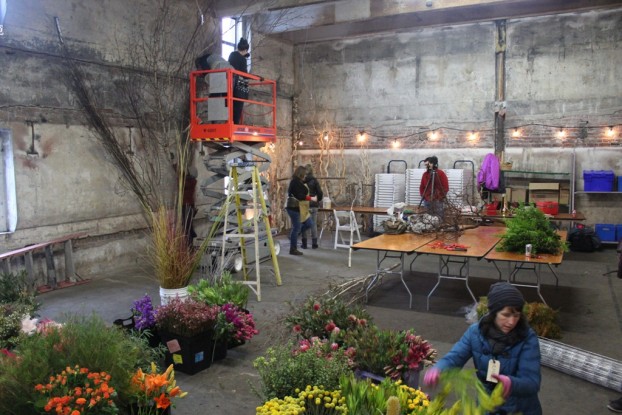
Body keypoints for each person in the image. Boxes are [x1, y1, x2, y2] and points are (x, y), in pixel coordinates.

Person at [424, 282, 542, 415]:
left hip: (519, 408)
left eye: (517, 315)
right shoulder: (475, 332)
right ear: (493, 312)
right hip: (487, 406)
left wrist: (511, 383)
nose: (512, 322)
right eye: (506, 315)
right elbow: (455, 357)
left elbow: (532, 382)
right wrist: (439, 368)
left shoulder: (527, 337)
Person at [286, 166, 317, 255]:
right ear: (301, 174)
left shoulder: (299, 182)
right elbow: (300, 196)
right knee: (296, 228)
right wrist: (311, 198)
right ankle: (293, 249)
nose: (306, 176)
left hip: (298, 208)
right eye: (305, 174)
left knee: (309, 224)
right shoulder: (295, 182)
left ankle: (293, 236)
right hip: (294, 208)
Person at [228, 37, 250, 124]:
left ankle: (230, 122)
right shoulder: (243, 59)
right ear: (245, 50)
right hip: (240, 83)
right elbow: (245, 74)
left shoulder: (232, 55)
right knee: (238, 106)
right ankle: (235, 123)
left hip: (229, 82)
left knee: (230, 105)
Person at [301, 164, 323, 249]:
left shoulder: (302, 181)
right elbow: (320, 193)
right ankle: (314, 244)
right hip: (314, 205)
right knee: (313, 224)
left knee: (304, 223)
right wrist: (318, 200)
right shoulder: (315, 180)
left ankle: (304, 244)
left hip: (304, 204)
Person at [181, 165, 198, 248]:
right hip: (189, 206)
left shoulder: (189, 182)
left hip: (186, 206)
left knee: (187, 227)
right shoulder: (192, 181)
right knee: (188, 226)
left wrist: (175, 164)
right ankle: (190, 243)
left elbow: (181, 177)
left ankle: (189, 245)